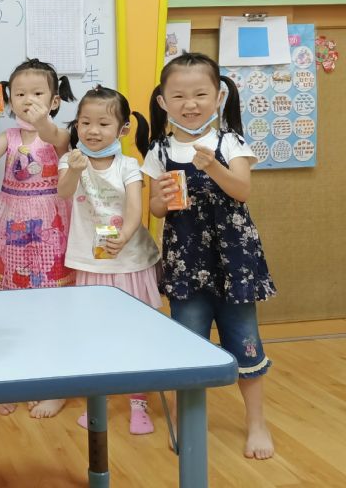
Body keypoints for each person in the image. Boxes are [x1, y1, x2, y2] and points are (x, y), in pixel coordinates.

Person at [142, 52, 275, 460]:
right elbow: (155, 210)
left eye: (200, 94)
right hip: (186, 261)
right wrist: (162, 199)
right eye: (179, 96)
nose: (190, 104)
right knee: (188, 343)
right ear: (163, 101)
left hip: (233, 262)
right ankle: (183, 420)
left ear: (218, 97)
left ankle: (257, 422)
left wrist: (213, 166)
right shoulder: (159, 149)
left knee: (245, 341)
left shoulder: (230, 142)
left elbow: (242, 190)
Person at [57, 85, 160, 429]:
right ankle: (97, 401)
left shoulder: (129, 165)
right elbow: (63, 192)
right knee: (94, 332)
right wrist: (74, 169)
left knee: (137, 331)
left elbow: (135, 208)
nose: (93, 131)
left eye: (103, 124)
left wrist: (124, 237)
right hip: (91, 263)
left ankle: (138, 402)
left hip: (130, 262)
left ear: (122, 129)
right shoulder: (71, 160)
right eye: (85, 122)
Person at [0, 58, 76, 293]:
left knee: (49, 279)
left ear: (54, 101)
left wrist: (41, 121)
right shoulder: (10, 135)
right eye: (20, 94)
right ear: (10, 101)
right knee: (13, 276)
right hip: (11, 215)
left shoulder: (60, 134)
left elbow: (51, 135)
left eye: (37, 93)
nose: (28, 99)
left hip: (49, 217)